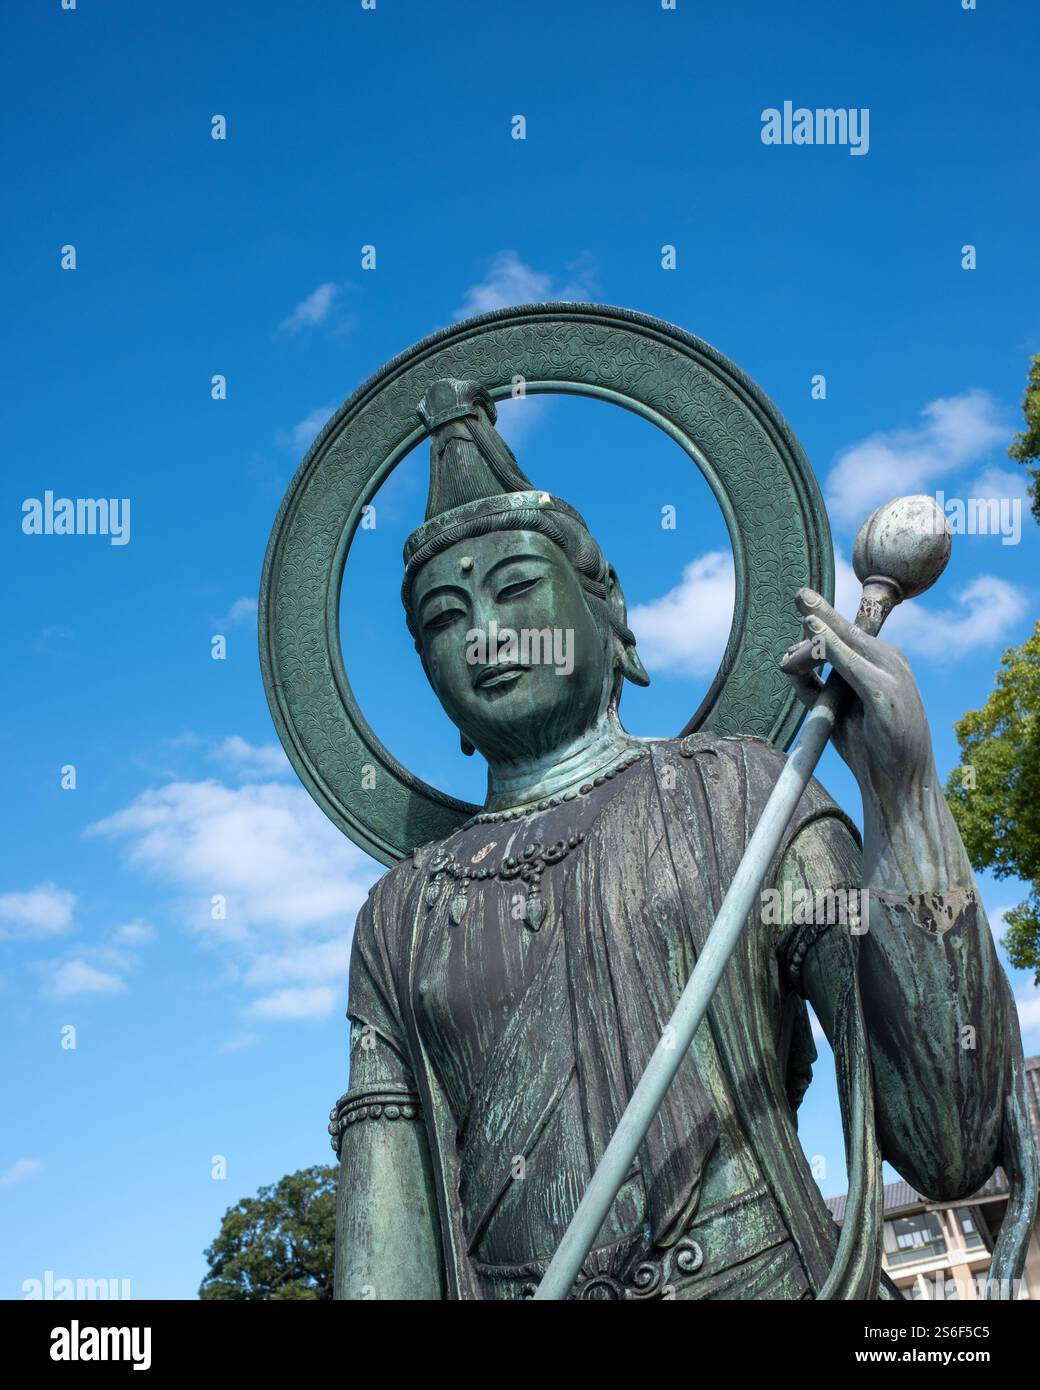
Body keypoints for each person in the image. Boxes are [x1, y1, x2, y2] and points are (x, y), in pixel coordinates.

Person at [331, 378, 1036, 1300]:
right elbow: (388, 1251)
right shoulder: (400, 916)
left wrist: (903, 800)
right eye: (443, 622)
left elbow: (945, 1142)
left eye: (515, 590)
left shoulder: (741, 792)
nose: (487, 638)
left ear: (609, 609)